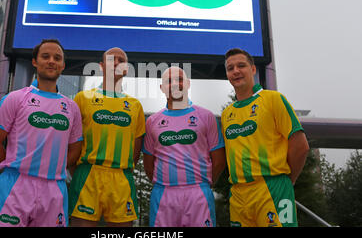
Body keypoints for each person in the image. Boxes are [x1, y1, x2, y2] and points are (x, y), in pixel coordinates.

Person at [0, 39, 82, 227]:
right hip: (16, 185)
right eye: (45, 56)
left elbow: (75, 149)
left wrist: (53, 168)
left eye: (57, 58)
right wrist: (15, 168)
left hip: (55, 187)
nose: (51, 61)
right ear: (35, 62)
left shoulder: (72, 108)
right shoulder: (14, 99)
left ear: (63, 66)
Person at [221, 48, 310, 227]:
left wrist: (288, 180)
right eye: (230, 68)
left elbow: (301, 146)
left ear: (253, 69)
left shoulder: (273, 99)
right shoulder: (227, 114)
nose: (236, 71)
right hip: (238, 194)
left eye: (241, 66)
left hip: (272, 187)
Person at [68, 47, 145, 227]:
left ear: (126, 68)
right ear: (102, 66)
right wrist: (79, 172)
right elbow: (71, 141)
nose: (116, 62)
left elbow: (136, 149)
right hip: (88, 175)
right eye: (112, 59)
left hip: (121, 178)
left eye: (121, 60)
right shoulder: (83, 98)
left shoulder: (135, 106)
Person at [142, 66, 226, 227]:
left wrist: (203, 185)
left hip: (198, 193)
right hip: (163, 194)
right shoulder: (152, 121)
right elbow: (148, 164)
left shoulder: (206, 116)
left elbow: (219, 161)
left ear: (187, 83)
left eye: (179, 79)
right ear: (162, 87)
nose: (174, 84)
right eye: (169, 81)